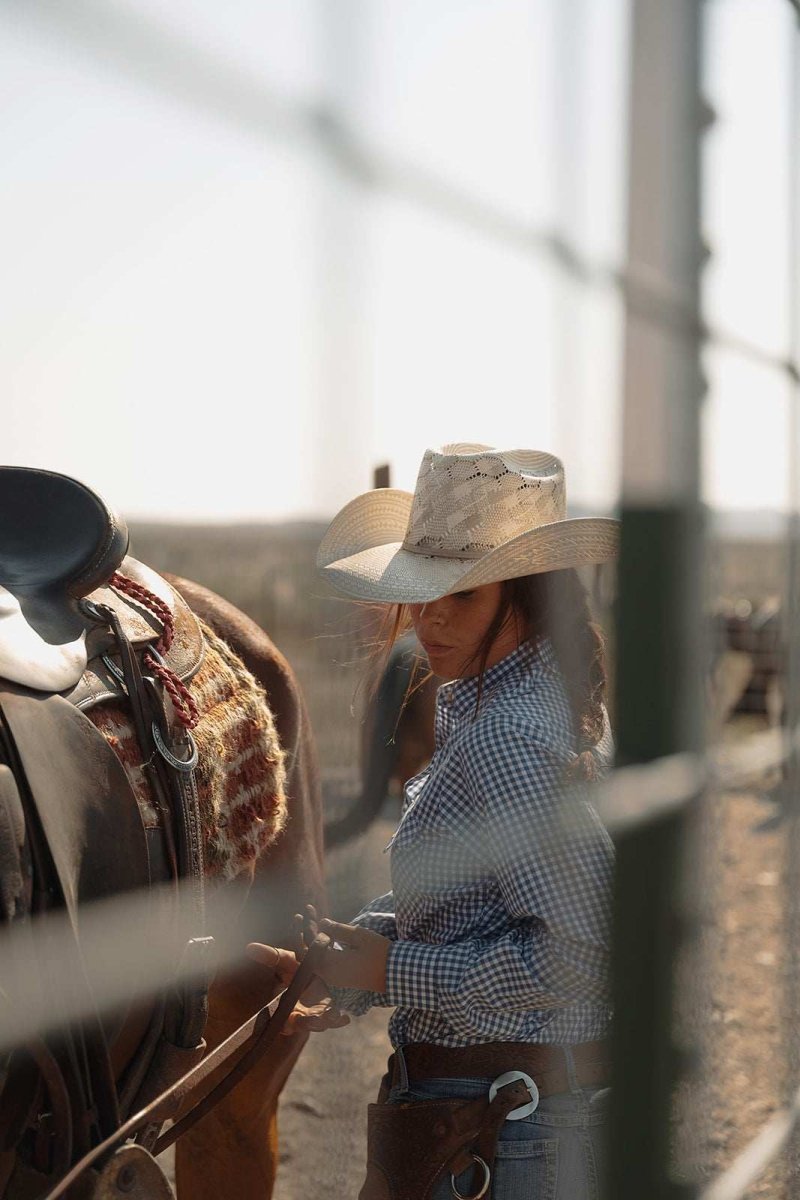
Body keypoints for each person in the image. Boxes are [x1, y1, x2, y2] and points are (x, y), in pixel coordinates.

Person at [250, 444, 618, 1200]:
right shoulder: (508, 702)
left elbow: (580, 951)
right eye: (422, 592)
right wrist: (354, 959)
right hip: (513, 1116)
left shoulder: (506, 733)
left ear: (528, 598)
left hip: (508, 1129)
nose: (431, 619)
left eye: (465, 595)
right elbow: (481, 899)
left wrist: (389, 971)